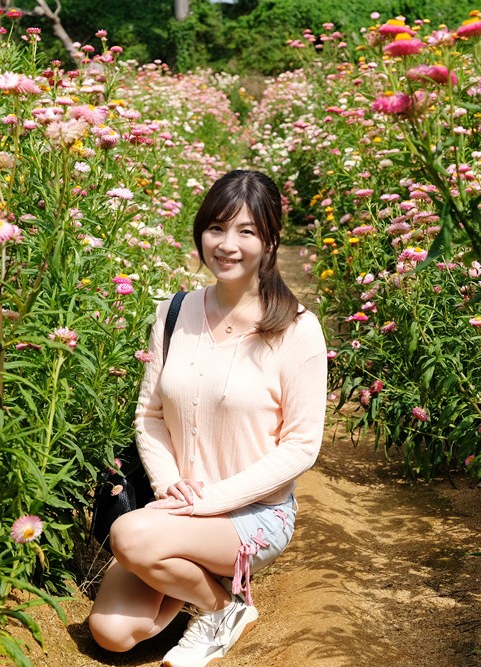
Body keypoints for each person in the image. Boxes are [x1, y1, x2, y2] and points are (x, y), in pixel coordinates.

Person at [88, 170, 328, 667]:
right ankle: (217, 596)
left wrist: (210, 502)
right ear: (200, 233)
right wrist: (171, 484)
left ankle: (218, 603)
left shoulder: (297, 329)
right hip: (178, 505)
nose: (227, 245)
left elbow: (302, 445)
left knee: (129, 535)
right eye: (216, 228)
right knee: (112, 632)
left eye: (246, 232)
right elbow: (150, 414)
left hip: (251, 512)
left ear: (270, 240)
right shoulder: (174, 313)